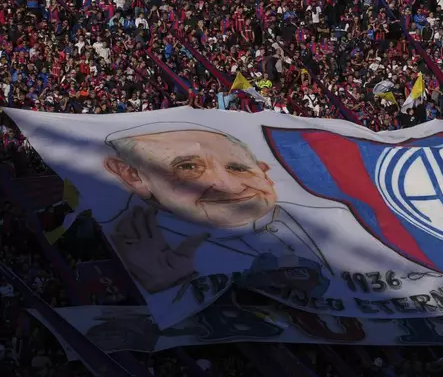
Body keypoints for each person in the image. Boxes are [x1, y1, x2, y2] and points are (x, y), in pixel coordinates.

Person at [103, 122, 331, 297]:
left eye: (239, 168)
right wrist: (169, 288)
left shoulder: (325, 217)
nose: (228, 186)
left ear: (264, 171)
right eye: (188, 167)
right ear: (132, 175)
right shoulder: (122, 240)